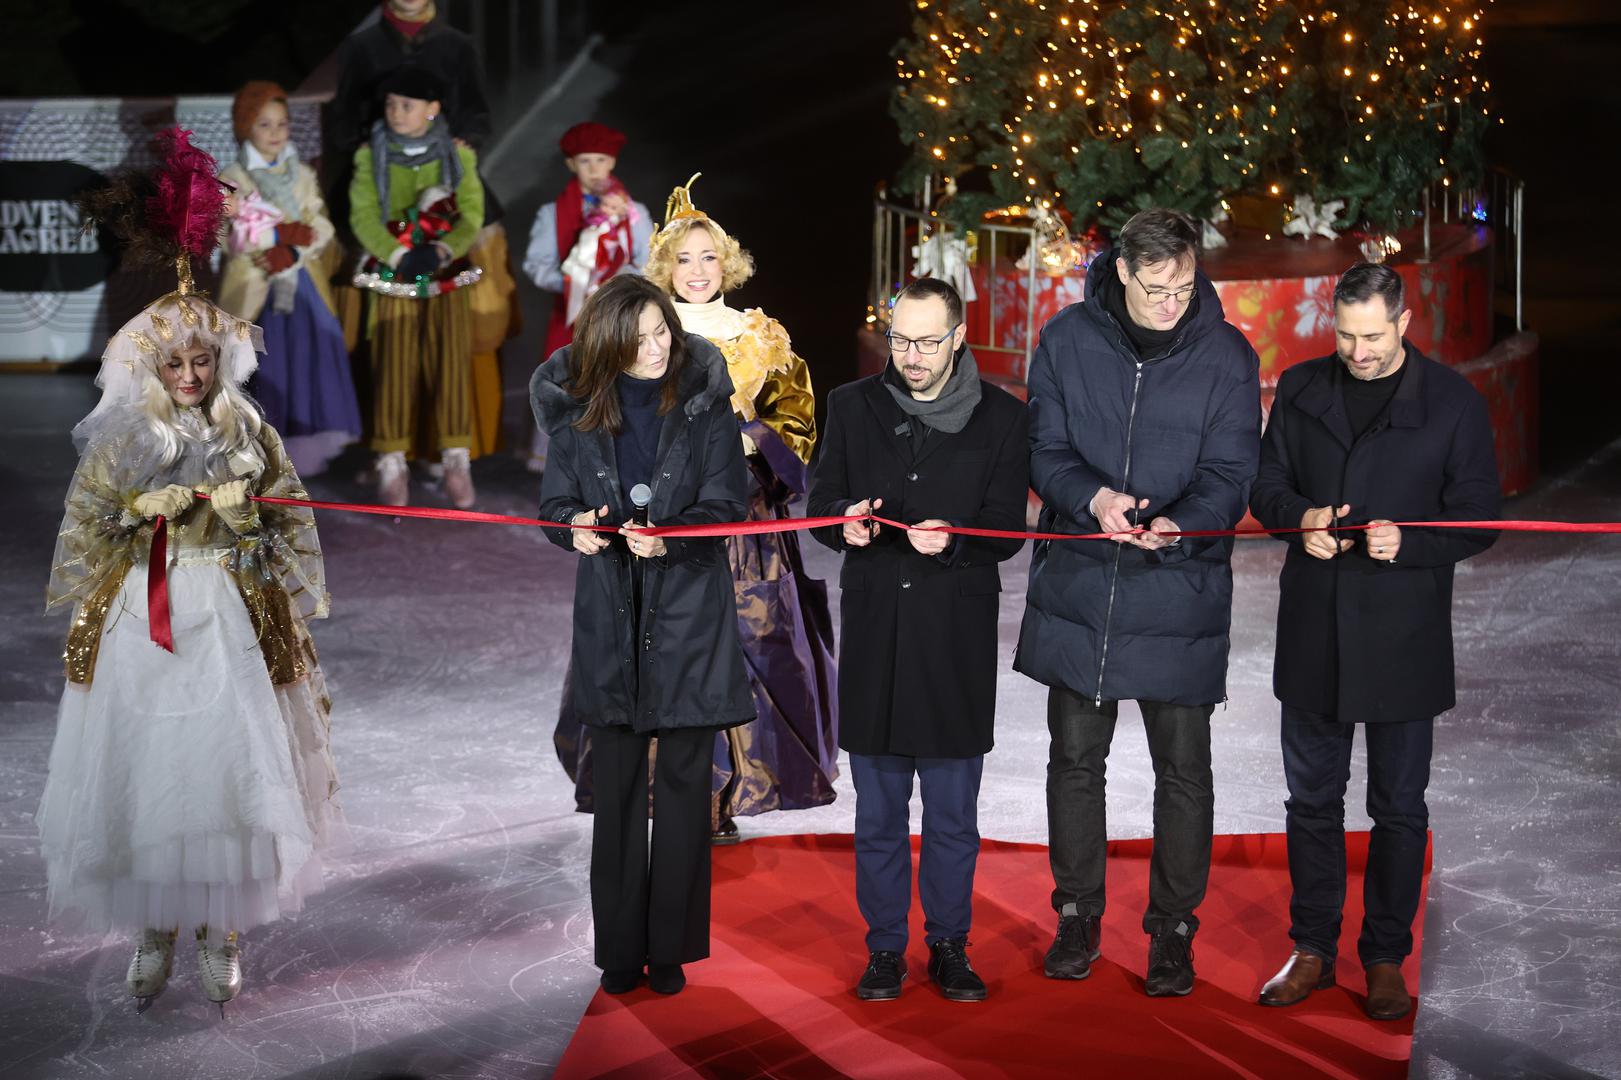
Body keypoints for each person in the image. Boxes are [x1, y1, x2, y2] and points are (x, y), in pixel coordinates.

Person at [39, 130, 343, 1013]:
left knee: (228, 770)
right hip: (148, 618)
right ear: (147, 365)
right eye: (171, 362)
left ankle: (221, 926)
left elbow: (289, 520)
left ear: (220, 359)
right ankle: (154, 924)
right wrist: (140, 511)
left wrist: (248, 519)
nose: (186, 373)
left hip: (230, 623)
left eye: (200, 359)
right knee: (149, 767)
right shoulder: (126, 436)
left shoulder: (247, 430)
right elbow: (86, 524)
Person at [1015, 208, 1260, 997]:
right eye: (1155, 287)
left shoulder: (1226, 354)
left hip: (1178, 587)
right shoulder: (1064, 340)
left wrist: (1180, 523)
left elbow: (1230, 473)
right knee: (1075, 763)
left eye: (1183, 285)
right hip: (1083, 585)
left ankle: (1171, 930)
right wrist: (1092, 499)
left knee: (1183, 770)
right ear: (1121, 272)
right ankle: (1078, 913)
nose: (1169, 302)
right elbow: (1043, 449)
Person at [1249, 262, 1500, 1021]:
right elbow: (1264, 488)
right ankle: (1312, 949)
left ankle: (1385, 955)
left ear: (1402, 323)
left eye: (1371, 337)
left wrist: (1411, 540)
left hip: (1402, 633)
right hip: (1315, 628)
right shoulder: (1298, 388)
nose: (1356, 351)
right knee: (1312, 802)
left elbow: (1479, 514)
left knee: (1398, 808)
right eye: (1346, 335)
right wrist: (1303, 520)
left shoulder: (1451, 402)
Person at [555, 174, 835, 842]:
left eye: (709, 256)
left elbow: (798, 433)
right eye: (683, 257)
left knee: (746, 651)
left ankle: (727, 794)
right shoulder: (643, 335)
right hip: (661, 526)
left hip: (741, 528)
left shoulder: (762, 338)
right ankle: (665, 788)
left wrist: (751, 436)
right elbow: (597, 418)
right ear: (663, 267)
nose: (698, 270)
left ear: (728, 261)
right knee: (662, 651)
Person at [807, 277, 1030, 1003]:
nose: (912, 355)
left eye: (928, 341)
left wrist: (957, 541)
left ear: (959, 336)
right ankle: (883, 950)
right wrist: (844, 523)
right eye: (900, 339)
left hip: (952, 642)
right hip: (875, 634)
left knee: (951, 816)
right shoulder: (850, 405)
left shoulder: (1001, 417)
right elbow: (818, 507)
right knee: (875, 815)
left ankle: (948, 945)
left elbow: (1007, 527)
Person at [530, 274, 754, 996]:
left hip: (688, 615)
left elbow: (726, 507)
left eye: (662, 332)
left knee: (686, 790)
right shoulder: (575, 414)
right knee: (618, 791)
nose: (655, 348)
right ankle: (620, 949)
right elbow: (553, 505)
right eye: (638, 339)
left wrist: (674, 540)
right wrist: (575, 530)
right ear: (608, 344)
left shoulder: (706, 409)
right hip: (611, 617)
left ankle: (672, 951)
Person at [349, 65, 484, 508]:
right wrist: (400, 254)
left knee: (450, 362)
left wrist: (444, 250)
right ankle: (392, 460)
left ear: (432, 110)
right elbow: (363, 214)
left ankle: (455, 459)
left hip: (446, 268)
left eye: (406, 105)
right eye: (390, 104)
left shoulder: (458, 156)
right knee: (395, 362)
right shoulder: (372, 156)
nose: (396, 112)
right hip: (395, 270)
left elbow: (471, 212)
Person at [219, 80, 362, 477]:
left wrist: (297, 249)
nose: (275, 134)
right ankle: (258, 445)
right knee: (264, 364)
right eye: (265, 125)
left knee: (309, 356)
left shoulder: (300, 172)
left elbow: (320, 223)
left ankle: (307, 447)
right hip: (256, 285)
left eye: (282, 125)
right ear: (246, 126)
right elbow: (226, 234)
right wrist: (275, 238)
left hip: (301, 280)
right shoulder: (231, 176)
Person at [522, 122, 652, 471]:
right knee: (569, 385)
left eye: (600, 160)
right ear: (570, 165)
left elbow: (649, 261)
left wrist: (617, 285)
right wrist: (577, 283)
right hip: (573, 318)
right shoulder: (553, 214)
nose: (594, 169)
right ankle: (565, 470)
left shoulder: (634, 212)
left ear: (612, 163)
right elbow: (537, 265)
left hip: (622, 319)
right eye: (584, 161)